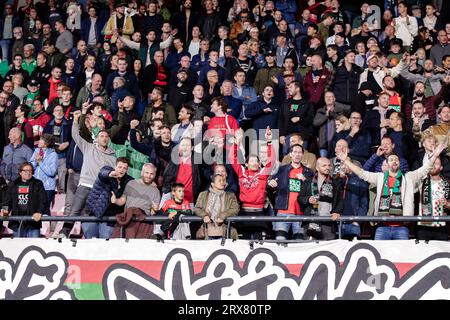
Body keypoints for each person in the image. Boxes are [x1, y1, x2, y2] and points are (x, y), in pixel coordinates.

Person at [337, 142, 445, 240]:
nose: (394, 161)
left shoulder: (409, 177)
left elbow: (424, 169)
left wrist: (435, 155)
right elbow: (362, 173)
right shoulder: (379, 177)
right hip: (382, 227)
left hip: (402, 228)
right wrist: (346, 161)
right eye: (391, 160)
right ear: (387, 164)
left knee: (401, 259)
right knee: (380, 256)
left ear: (399, 163)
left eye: (396, 160)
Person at [58, 110, 116, 238]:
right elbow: (75, 135)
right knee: (75, 210)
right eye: (101, 136)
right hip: (85, 184)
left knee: (93, 215)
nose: (104, 138)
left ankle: (91, 237)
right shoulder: (88, 147)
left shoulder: (113, 157)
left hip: (101, 189)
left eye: (106, 136)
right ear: (97, 138)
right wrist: (75, 120)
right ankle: (64, 232)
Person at [229, 127, 274, 239]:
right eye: (251, 161)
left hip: (259, 212)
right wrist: (236, 143)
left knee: (260, 241)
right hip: (244, 211)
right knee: (243, 241)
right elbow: (231, 158)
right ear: (247, 164)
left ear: (259, 164)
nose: (254, 163)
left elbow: (271, 160)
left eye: (256, 161)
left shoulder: (263, 174)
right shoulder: (241, 172)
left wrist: (269, 142)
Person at [269, 143, 314, 240]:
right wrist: (271, 183)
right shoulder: (282, 170)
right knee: (280, 241)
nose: (297, 154)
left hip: (300, 213)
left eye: (300, 152)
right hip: (283, 211)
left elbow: (313, 191)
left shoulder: (309, 172)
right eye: (295, 152)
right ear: (290, 154)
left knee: (299, 244)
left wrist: (305, 180)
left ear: (303, 154)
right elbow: (271, 186)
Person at [82, 157, 133, 239]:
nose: (122, 170)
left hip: (110, 217)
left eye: (125, 168)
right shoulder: (107, 171)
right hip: (92, 212)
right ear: (115, 166)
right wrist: (110, 173)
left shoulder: (128, 181)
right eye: (120, 167)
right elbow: (102, 173)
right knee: (90, 241)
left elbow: (137, 184)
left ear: (127, 170)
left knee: (106, 242)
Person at [300, 157, 343, 240]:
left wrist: (337, 212)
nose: (327, 167)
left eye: (329, 165)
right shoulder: (308, 181)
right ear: (317, 167)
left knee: (327, 250)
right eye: (324, 166)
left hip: (328, 222)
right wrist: (308, 199)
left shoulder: (335, 183)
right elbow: (300, 198)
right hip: (311, 221)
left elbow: (340, 200)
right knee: (310, 248)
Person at [0, 162, 46, 238]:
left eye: (30, 171)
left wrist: (39, 212)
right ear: (20, 172)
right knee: (18, 248)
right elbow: (7, 201)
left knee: (33, 247)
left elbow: (43, 200)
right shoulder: (13, 184)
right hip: (17, 223)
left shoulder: (38, 184)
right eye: (25, 171)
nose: (28, 173)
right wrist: (5, 210)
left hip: (33, 223)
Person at [194, 173, 240, 239]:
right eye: (219, 180)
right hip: (207, 233)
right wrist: (204, 215)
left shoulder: (230, 195)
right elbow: (197, 208)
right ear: (212, 184)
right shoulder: (203, 195)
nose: (222, 182)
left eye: (223, 180)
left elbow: (235, 209)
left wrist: (223, 216)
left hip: (224, 232)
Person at [416, 156, 450, 241]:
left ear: (441, 167)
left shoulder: (447, 183)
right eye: (431, 163)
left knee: (442, 254)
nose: (433, 165)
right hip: (424, 226)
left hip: (442, 226)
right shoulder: (420, 181)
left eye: (436, 163)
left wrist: (447, 204)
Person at [29, 134, 58, 216]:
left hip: (47, 187)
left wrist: (40, 162)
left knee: (45, 210)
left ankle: (47, 227)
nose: (39, 141)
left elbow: (51, 172)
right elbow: (31, 166)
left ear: (46, 143)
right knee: (35, 209)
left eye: (41, 140)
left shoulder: (53, 155)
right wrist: (36, 161)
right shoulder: (36, 151)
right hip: (35, 186)